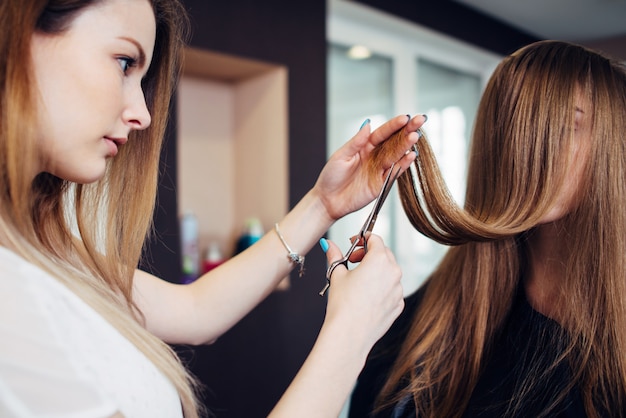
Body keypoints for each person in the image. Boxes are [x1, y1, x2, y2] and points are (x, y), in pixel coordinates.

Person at [0, 0, 427, 417]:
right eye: (125, 62)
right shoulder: (12, 295)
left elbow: (194, 311)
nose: (143, 115)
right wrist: (352, 333)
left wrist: (323, 205)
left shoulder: (35, 249)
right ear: (22, 31)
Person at [349, 40, 626, 418]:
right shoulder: (418, 332)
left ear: (612, 148)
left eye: (566, 126)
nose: (526, 147)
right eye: (514, 123)